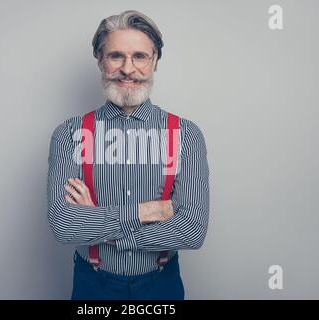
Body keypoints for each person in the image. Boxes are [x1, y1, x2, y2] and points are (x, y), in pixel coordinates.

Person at [47, 10, 209, 300]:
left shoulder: (186, 134)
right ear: (100, 60)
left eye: (139, 56)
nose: (127, 69)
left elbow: (192, 230)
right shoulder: (68, 134)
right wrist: (148, 212)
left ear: (155, 61)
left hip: (161, 286)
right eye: (116, 56)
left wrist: (99, 225)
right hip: (92, 286)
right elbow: (64, 225)